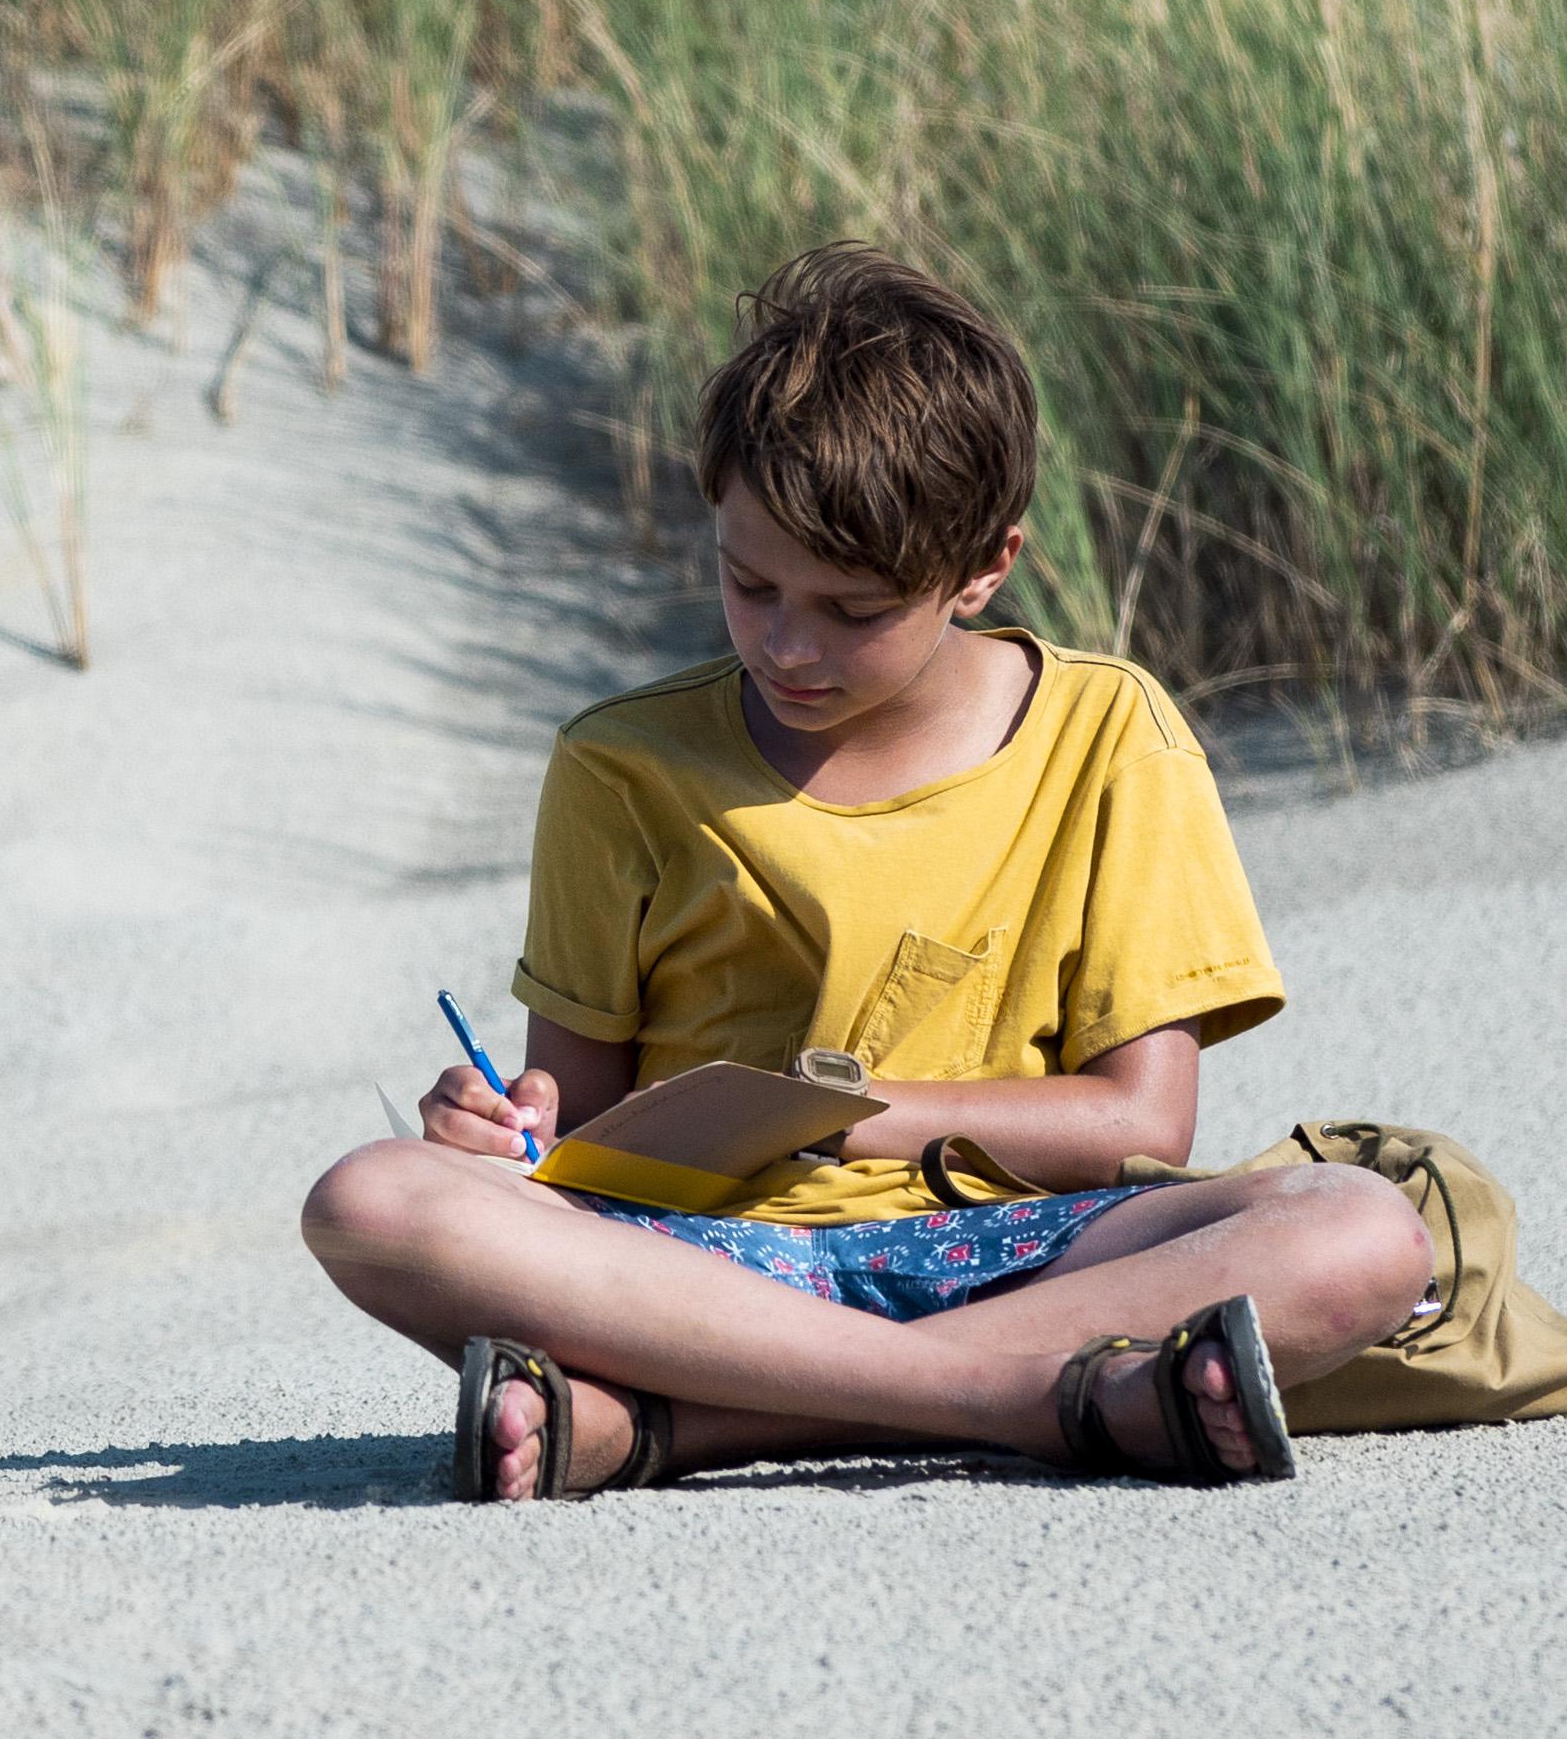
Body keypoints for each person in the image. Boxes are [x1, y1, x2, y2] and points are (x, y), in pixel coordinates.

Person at [300, 242, 1432, 1500]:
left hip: (1022, 1248)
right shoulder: (618, 764)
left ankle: (675, 1427)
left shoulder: (1109, 734)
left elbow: (1137, 1125)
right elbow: (570, 1128)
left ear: (983, 565)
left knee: (1358, 1230)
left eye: (853, 609)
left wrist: (842, 1108)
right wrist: (495, 1130)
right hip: (697, 1264)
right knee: (372, 1195)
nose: (789, 644)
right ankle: (1022, 1397)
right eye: (748, 583)